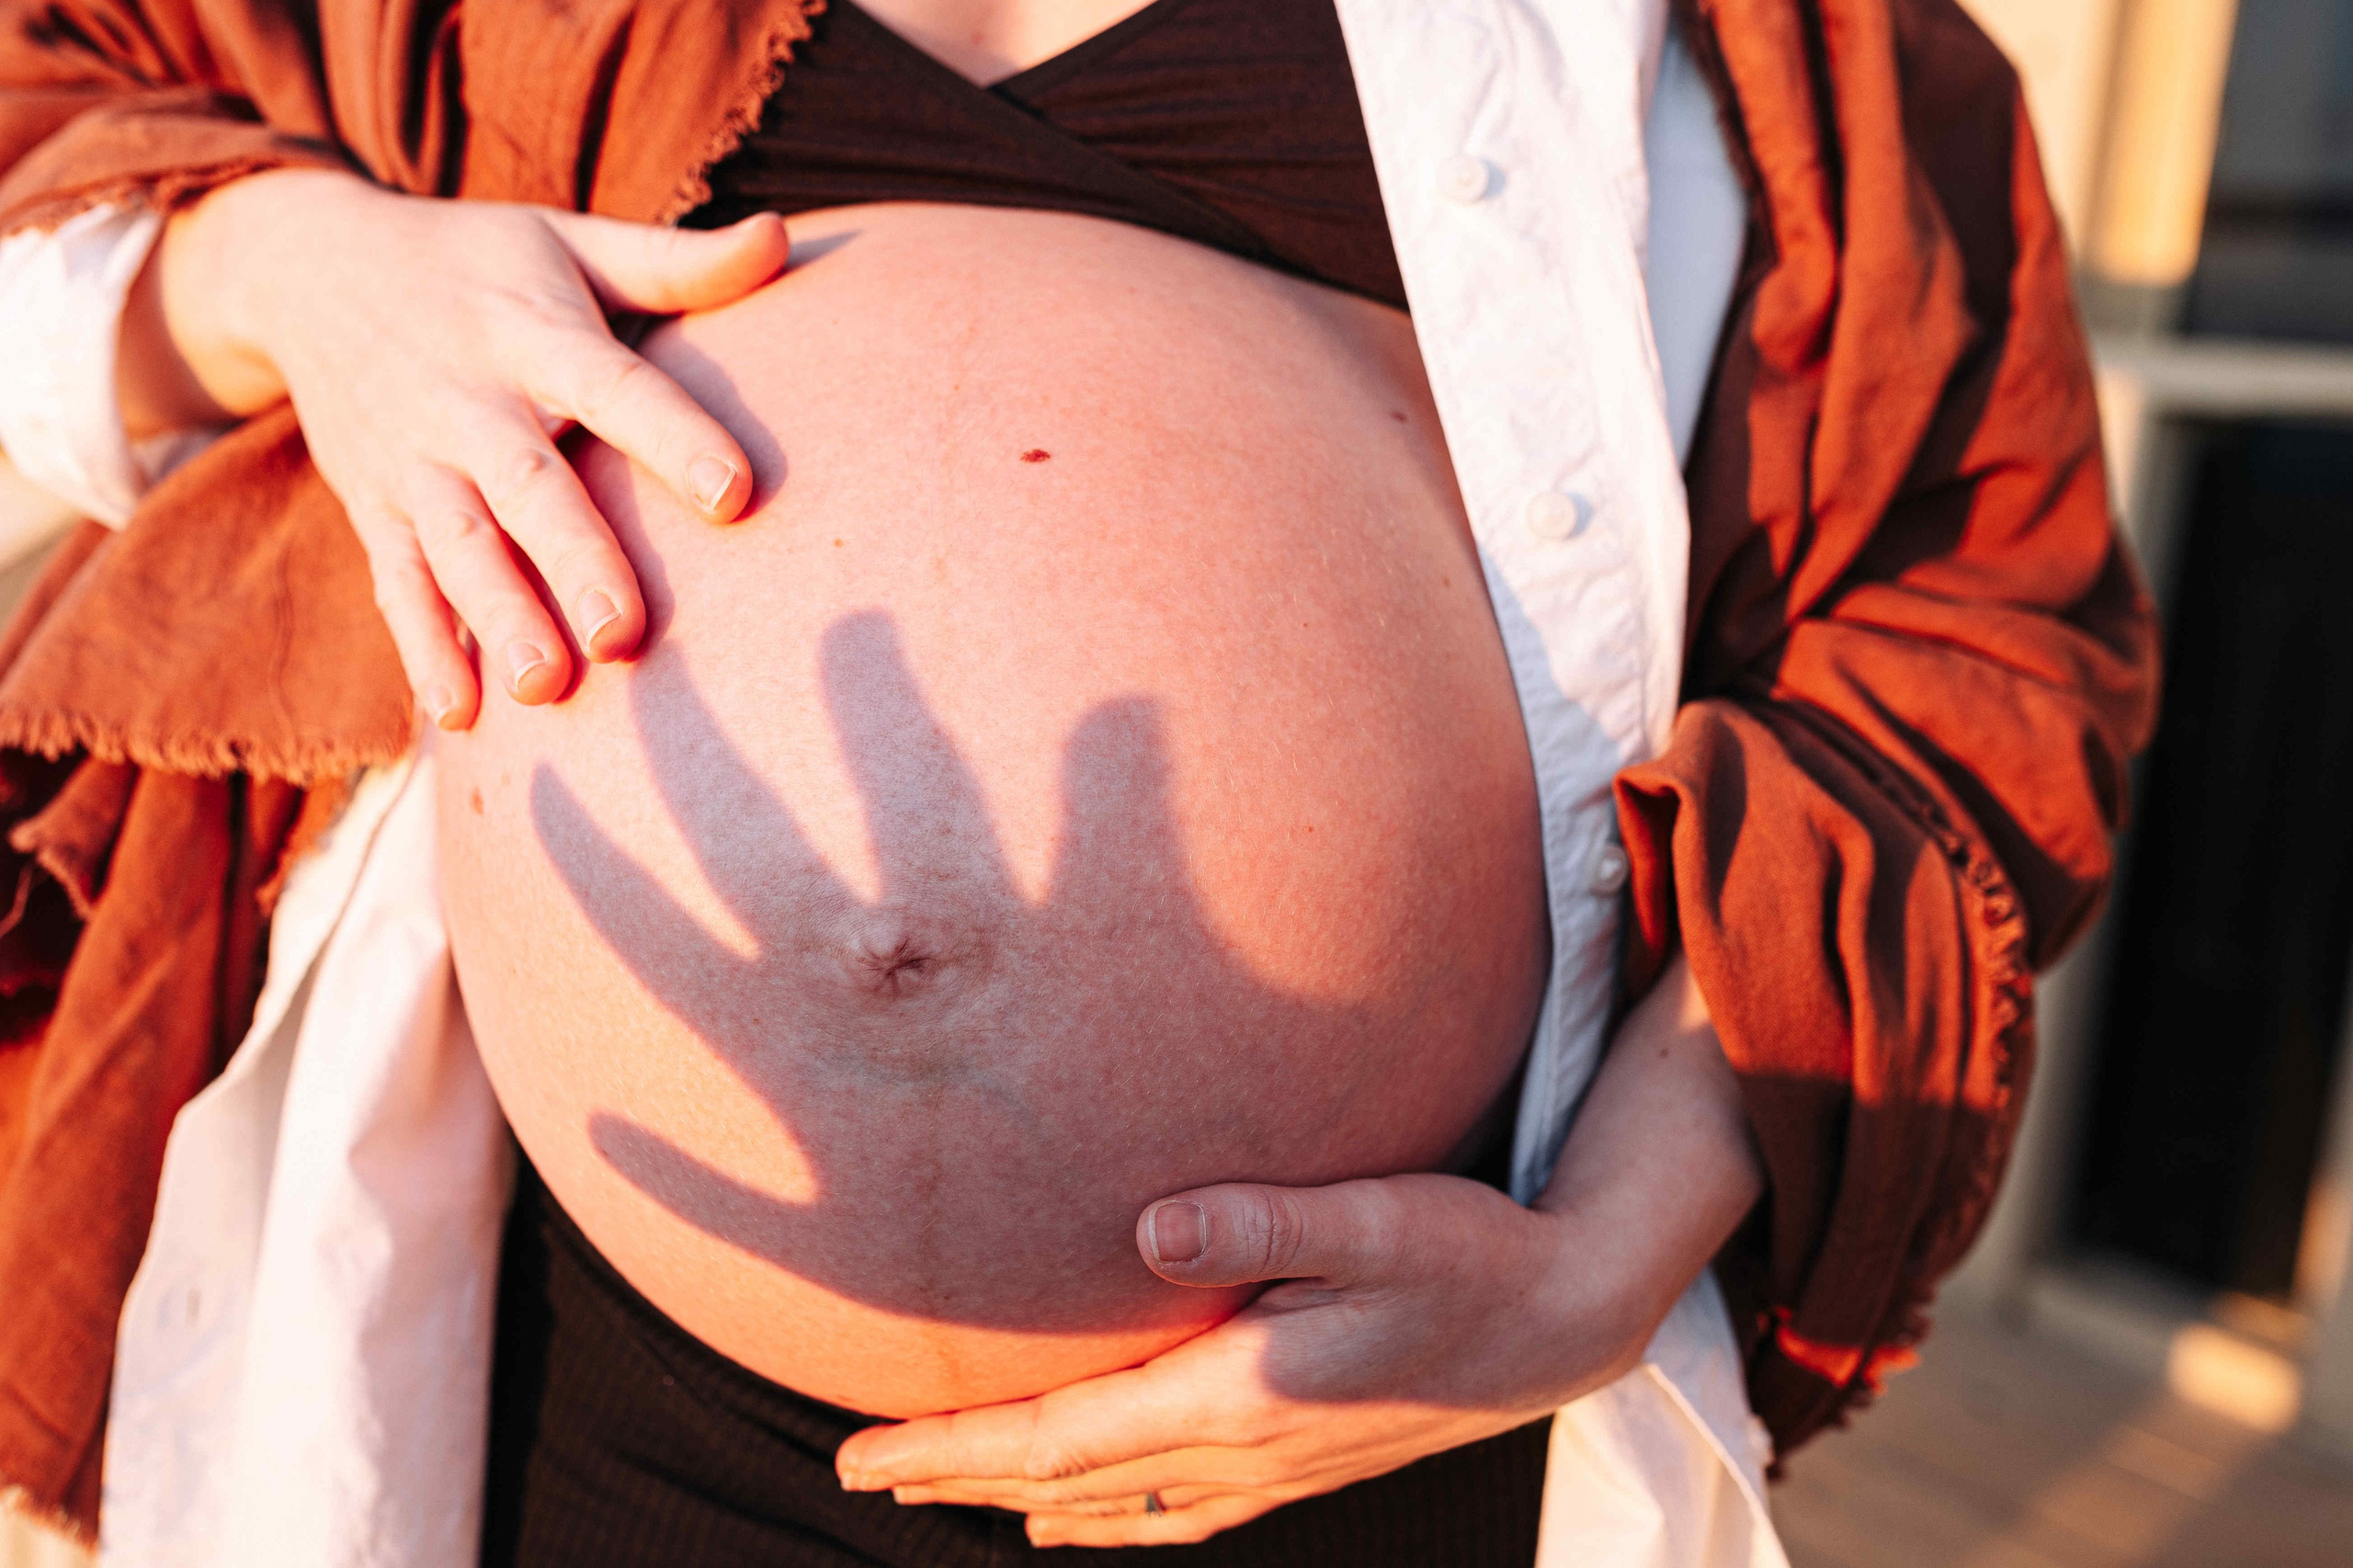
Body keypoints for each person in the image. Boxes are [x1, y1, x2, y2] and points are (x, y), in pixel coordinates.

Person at [0, 1, 2160, 1564]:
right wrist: (289, 272)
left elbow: (1968, 643)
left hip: (1370, 1394)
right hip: (571, 1366)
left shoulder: (1797, 47)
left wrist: (1609, 1248)